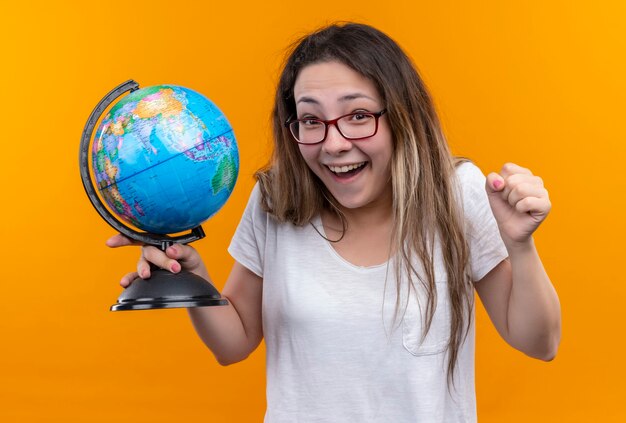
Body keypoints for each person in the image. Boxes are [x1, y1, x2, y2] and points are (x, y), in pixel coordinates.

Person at [107, 22, 561, 422]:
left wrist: (520, 245)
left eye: (359, 115)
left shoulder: (457, 192)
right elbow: (234, 345)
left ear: (402, 116)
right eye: (311, 120)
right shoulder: (275, 198)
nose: (335, 143)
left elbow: (540, 343)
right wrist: (194, 278)